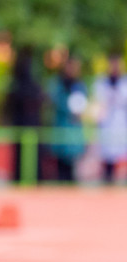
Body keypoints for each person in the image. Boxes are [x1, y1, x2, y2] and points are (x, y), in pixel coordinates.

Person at [3, 46, 45, 183]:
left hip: (29, 128)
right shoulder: (23, 85)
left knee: (29, 160)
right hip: (27, 127)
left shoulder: (23, 85)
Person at [49, 54, 87, 183]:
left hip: (73, 128)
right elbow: (57, 102)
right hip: (62, 126)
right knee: (61, 162)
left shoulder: (79, 85)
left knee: (72, 162)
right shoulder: (58, 84)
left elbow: (81, 104)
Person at [93, 51, 126, 183]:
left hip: (120, 124)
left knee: (120, 157)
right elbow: (99, 104)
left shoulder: (124, 83)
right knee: (106, 158)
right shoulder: (101, 82)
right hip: (106, 125)